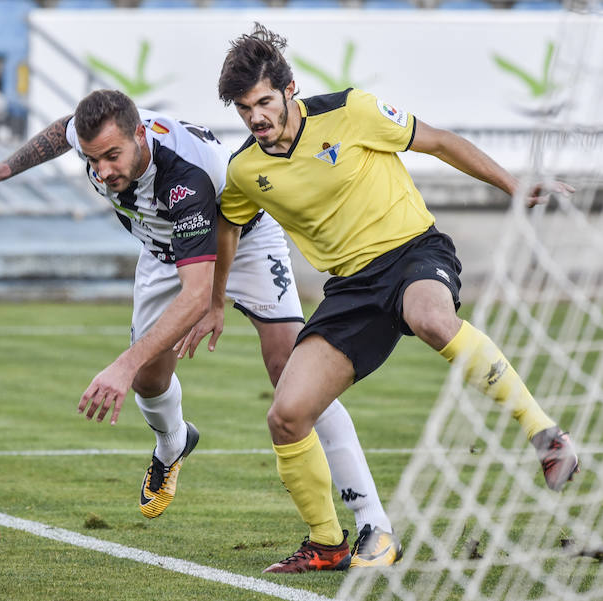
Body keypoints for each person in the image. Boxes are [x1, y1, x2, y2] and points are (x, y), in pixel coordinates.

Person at [0, 89, 401, 566]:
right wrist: (3, 168)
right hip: (164, 254)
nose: (103, 171)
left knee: (294, 374)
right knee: (148, 378)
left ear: (140, 136)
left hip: (246, 239)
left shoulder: (185, 177)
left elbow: (196, 295)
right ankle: (173, 441)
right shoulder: (98, 138)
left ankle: (371, 523)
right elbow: (63, 130)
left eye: (113, 156)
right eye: (93, 160)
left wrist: (124, 361)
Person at [182, 23, 580, 573]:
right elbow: (229, 224)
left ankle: (544, 433)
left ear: (289, 89)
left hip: (413, 252)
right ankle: (329, 543)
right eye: (245, 109)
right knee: (286, 414)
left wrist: (514, 187)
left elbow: (439, 140)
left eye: (265, 102)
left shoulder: (352, 110)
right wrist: (214, 299)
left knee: (430, 318)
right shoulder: (247, 169)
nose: (256, 118)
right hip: (352, 290)